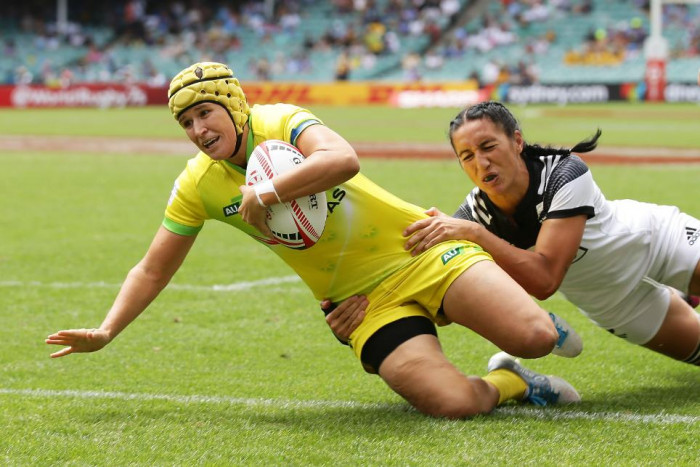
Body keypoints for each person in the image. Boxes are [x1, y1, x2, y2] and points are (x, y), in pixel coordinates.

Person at [46, 63, 582, 420]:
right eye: (186, 122)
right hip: (363, 305)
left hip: (421, 250)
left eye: (205, 112)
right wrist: (108, 329)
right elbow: (152, 269)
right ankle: (513, 383)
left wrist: (267, 191)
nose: (198, 129)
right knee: (453, 404)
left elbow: (343, 159)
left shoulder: (279, 121)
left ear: (233, 104)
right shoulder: (197, 185)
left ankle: (523, 322)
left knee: (533, 333)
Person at [330, 101, 699, 366]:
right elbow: (424, 278)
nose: (481, 162)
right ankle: (681, 298)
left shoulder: (564, 173)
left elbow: (544, 279)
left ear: (517, 142)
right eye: (467, 156)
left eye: (488, 146)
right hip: (615, 303)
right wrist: (354, 307)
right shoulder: (473, 214)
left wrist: (476, 235)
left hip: (656, 242)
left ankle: (682, 291)